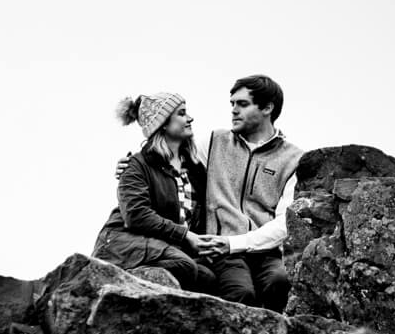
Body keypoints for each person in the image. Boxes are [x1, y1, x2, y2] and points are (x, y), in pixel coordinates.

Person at [197, 75, 302, 311]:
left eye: (242, 104)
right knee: (241, 293)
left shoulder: (294, 159)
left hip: (265, 251)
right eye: (232, 104)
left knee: (281, 281)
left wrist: (238, 243)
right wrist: (132, 165)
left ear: (267, 108)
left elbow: (286, 223)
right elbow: (170, 162)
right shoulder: (215, 141)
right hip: (220, 248)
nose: (234, 110)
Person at [93, 91, 213, 292]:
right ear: (163, 123)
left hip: (164, 246)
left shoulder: (195, 168)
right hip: (122, 242)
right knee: (185, 266)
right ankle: (117, 282)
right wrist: (185, 236)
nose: (190, 118)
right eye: (182, 114)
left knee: (208, 278)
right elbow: (136, 215)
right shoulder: (137, 166)